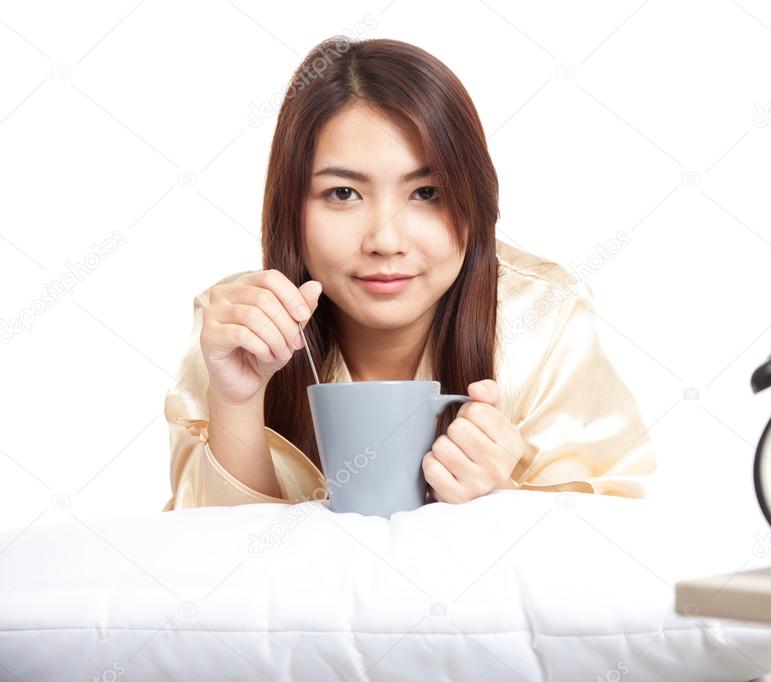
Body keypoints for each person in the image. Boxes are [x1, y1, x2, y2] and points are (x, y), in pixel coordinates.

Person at [162, 37, 655, 511]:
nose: (386, 241)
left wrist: (501, 498)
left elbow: (612, 541)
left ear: (475, 202)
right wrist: (237, 403)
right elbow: (211, 566)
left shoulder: (543, 319)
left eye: (426, 193)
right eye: (343, 193)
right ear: (290, 206)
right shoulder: (237, 328)